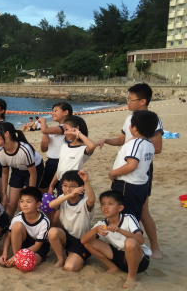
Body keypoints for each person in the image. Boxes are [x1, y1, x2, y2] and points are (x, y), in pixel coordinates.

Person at [96, 83, 164, 259]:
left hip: (137, 172)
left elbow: (156, 147)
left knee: (141, 211)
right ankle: (125, 244)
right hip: (128, 168)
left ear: (142, 101)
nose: (127, 102)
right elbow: (121, 140)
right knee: (124, 209)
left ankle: (152, 247)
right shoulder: (130, 119)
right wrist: (106, 140)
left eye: (131, 99)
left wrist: (134, 148)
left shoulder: (151, 120)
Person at [80, 190, 151, 288]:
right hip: (119, 258)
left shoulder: (128, 218)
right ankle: (113, 267)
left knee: (130, 242)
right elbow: (83, 241)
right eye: (103, 204)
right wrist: (95, 230)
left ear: (120, 208)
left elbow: (141, 240)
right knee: (89, 242)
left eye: (110, 204)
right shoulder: (101, 224)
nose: (105, 207)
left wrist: (119, 230)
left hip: (139, 261)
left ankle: (132, 276)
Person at [107, 110, 158, 223]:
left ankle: (129, 234)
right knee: (134, 215)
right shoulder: (149, 145)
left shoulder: (136, 143)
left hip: (127, 185)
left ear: (134, 128)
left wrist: (112, 173)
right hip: (140, 185)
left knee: (124, 216)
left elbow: (132, 165)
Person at [47, 169, 95, 271]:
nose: (68, 189)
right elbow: (51, 205)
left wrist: (86, 181)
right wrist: (69, 195)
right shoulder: (63, 198)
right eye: (65, 185)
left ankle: (80, 256)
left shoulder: (84, 203)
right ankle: (60, 259)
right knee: (52, 232)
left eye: (72, 186)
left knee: (70, 267)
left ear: (81, 188)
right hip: (66, 237)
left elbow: (92, 200)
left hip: (81, 241)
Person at [0, 122, 44, 217]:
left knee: (22, 205)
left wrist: (30, 193)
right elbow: (5, 173)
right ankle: (8, 224)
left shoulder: (24, 150)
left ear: (7, 134)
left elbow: (33, 173)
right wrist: (4, 194)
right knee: (11, 205)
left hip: (34, 170)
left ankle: (25, 221)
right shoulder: (2, 154)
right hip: (17, 170)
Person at [0, 187, 50, 268]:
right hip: (23, 243)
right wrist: (4, 253)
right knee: (16, 226)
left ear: (38, 204)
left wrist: (18, 256)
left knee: (30, 262)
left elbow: (37, 245)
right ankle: (16, 256)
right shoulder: (17, 217)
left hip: (38, 246)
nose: (24, 205)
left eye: (28, 202)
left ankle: (17, 258)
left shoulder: (44, 221)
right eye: (22, 201)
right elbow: (8, 237)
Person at [47, 115, 95, 196]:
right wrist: (51, 185)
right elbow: (60, 168)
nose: (64, 133)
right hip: (62, 184)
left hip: (75, 186)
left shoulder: (83, 149)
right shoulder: (64, 146)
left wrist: (78, 133)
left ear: (76, 129)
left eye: (66, 130)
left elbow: (92, 146)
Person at [38, 102, 72, 194]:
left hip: (62, 162)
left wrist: (43, 121)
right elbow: (44, 149)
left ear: (65, 112)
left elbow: (44, 130)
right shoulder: (54, 130)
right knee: (43, 187)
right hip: (50, 162)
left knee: (62, 190)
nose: (52, 113)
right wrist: (45, 135)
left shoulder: (67, 128)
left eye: (55, 111)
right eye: (52, 111)